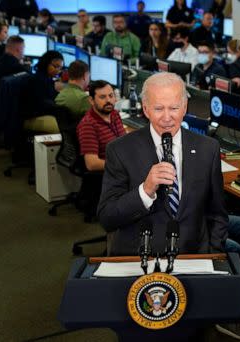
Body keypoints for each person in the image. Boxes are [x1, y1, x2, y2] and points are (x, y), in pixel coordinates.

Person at [97, 72, 228, 256]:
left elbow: (217, 214)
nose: (167, 118)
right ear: (145, 109)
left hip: (193, 259)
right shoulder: (120, 150)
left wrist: (212, 254)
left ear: (184, 108)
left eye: (174, 108)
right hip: (141, 261)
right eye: (158, 109)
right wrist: (145, 191)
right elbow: (107, 217)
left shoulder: (208, 148)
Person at [77, 80, 126, 219]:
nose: (109, 100)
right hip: (109, 173)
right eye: (102, 97)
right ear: (91, 100)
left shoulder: (114, 115)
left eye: (111, 96)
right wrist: (122, 165)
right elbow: (91, 164)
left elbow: (123, 142)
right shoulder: (88, 125)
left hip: (120, 164)